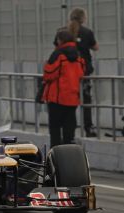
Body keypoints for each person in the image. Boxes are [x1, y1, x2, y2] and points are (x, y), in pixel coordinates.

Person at [54, 7, 99, 137]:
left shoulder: (61, 32)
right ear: (83, 18)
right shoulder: (87, 32)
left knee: (68, 101)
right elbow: (96, 47)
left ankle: (68, 131)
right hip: (83, 72)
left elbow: (57, 46)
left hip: (65, 72)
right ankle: (88, 128)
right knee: (86, 100)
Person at [43, 30, 85, 148]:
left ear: (60, 40)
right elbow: (82, 72)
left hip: (57, 97)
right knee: (69, 128)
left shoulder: (58, 54)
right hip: (72, 98)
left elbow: (49, 74)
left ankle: (56, 156)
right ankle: (68, 154)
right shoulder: (78, 55)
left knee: (55, 129)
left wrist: (46, 65)